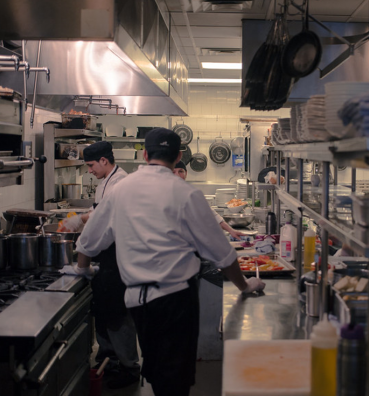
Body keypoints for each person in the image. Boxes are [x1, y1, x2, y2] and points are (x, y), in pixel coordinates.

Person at [73, 128, 265, 396]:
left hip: (137, 302)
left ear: (145, 154)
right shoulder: (185, 193)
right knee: (175, 379)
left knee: (156, 372)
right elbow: (223, 254)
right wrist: (244, 286)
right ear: (178, 156)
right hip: (176, 301)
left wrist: (82, 269)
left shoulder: (121, 190)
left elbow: (89, 239)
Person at [60, 142, 141, 389]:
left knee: (117, 313)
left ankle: (129, 368)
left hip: (119, 255)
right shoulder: (105, 182)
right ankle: (109, 360)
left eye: (91, 165)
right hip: (107, 255)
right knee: (105, 311)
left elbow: (103, 218)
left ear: (104, 161)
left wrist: (79, 221)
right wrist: (81, 219)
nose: (90, 170)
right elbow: (98, 211)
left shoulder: (120, 183)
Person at [173, 161, 247, 240]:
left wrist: (231, 230)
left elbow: (212, 214)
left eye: (181, 171)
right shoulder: (163, 194)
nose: (177, 175)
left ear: (186, 173)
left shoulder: (192, 194)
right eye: (173, 172)